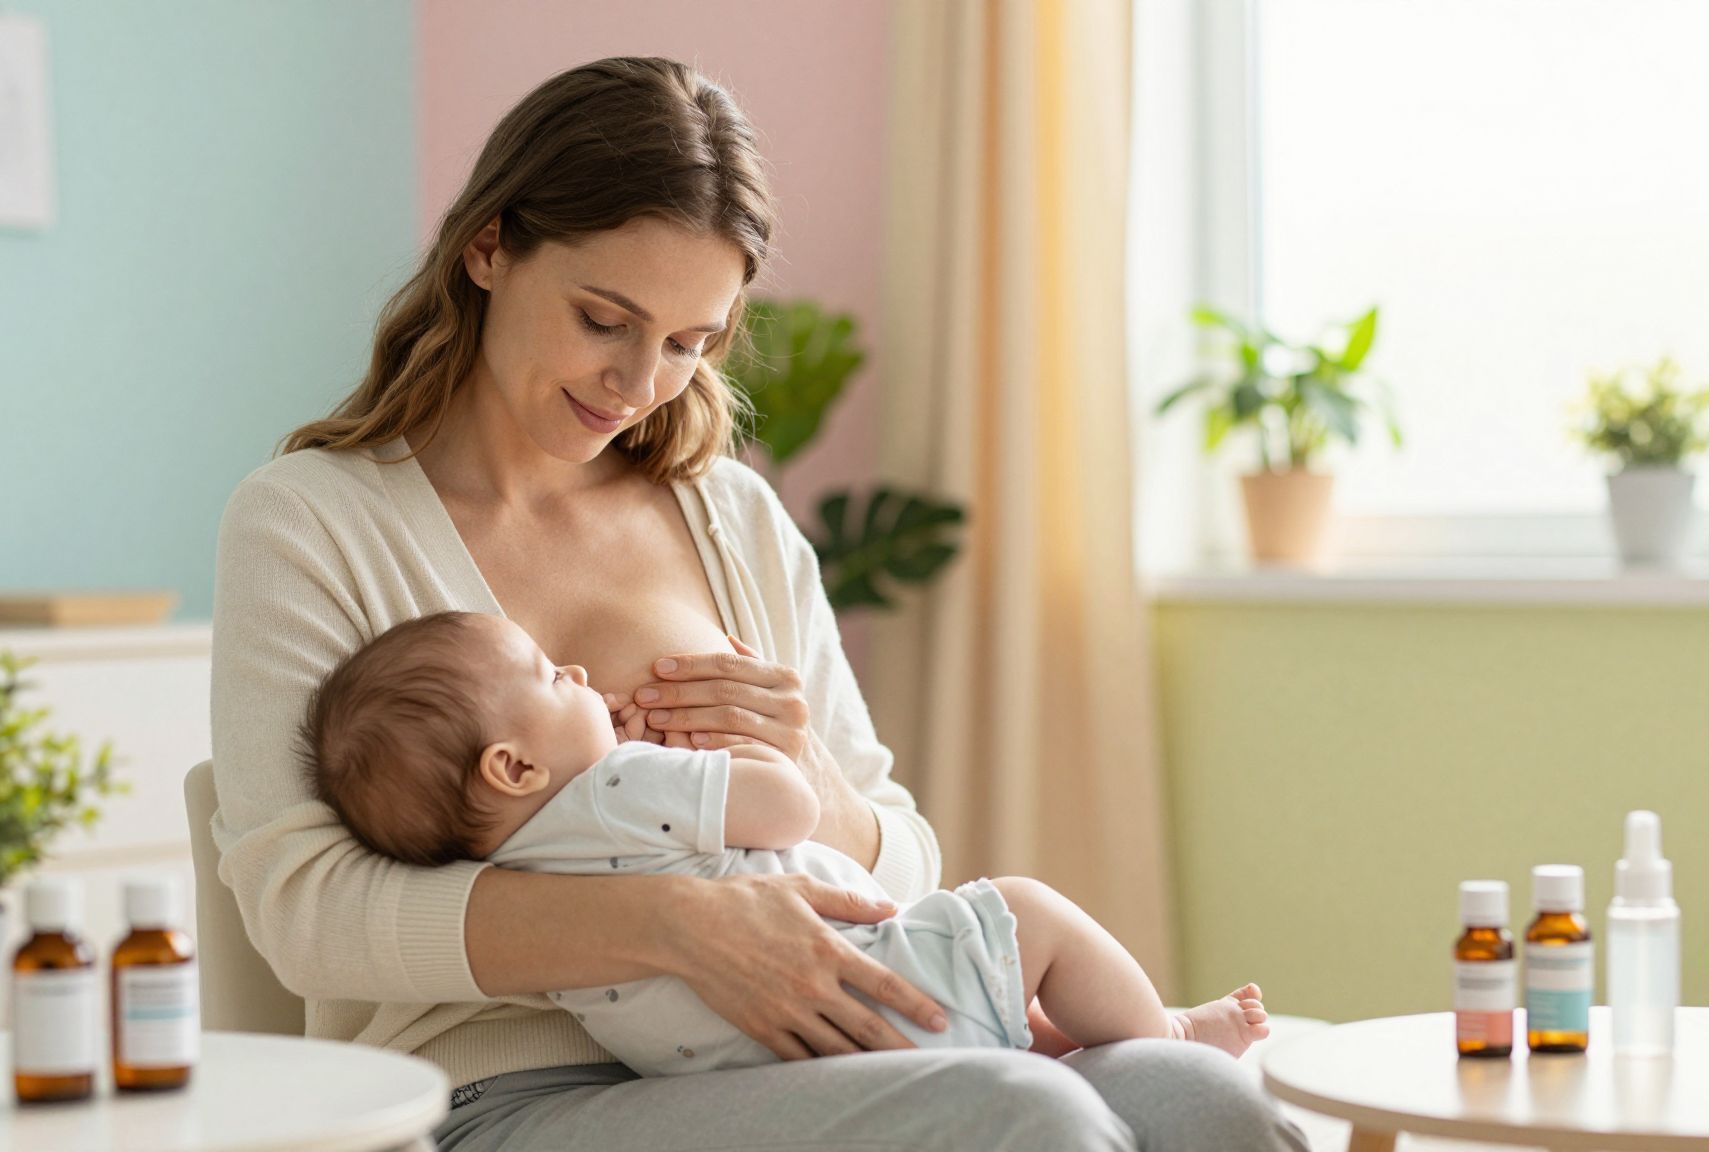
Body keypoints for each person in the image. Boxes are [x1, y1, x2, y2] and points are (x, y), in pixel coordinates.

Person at [210, 55, 1311, 1151]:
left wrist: (820, 791)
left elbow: (903, 859)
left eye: (688, 345)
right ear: (487, 247)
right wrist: (677, 930)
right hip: (509, 1097)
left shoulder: (730, 518)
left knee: (1207, 1101)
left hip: (818, 1052)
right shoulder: (311, 523)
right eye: (604, 320)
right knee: (1024, 1117)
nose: (638, 383)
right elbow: (311, 915)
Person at [299, 610, 1274, 1077]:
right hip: (864, 980)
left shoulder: (507, 875)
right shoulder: (623, 787)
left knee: (998, 995)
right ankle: (1169, 1033)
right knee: (1026, 911)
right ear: (512, 768)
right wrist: (744, 752)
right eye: (553, 678)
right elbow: (788, 813)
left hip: (754, 1063)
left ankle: (1057, 1041)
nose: (580, 670)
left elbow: (886, 841)